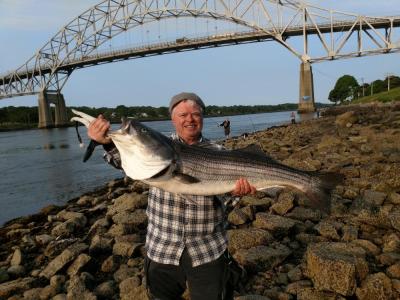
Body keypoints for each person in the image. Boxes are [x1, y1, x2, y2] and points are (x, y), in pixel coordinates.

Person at [88, 92, 256, 300]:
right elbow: (127, 160)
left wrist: (236, 193)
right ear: (173, 119)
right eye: (183, 114)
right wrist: (106, 143)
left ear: (202, 117)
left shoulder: (219, 151)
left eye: (195, 114)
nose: (189, 119)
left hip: (207, 250)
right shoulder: (159, 145)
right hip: (162, 248)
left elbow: (226, 202)